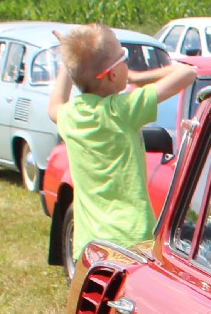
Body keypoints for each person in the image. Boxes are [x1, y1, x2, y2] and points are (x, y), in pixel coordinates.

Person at [47, 24, 198, 263]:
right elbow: (187, 73)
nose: (128, 65)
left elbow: (54, 104)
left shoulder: (71, 116)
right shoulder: (124, 110)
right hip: (132, 240)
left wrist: (67, 61)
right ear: (113, 74)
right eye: (125, 58)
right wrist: (138, 77)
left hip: (90, 245)